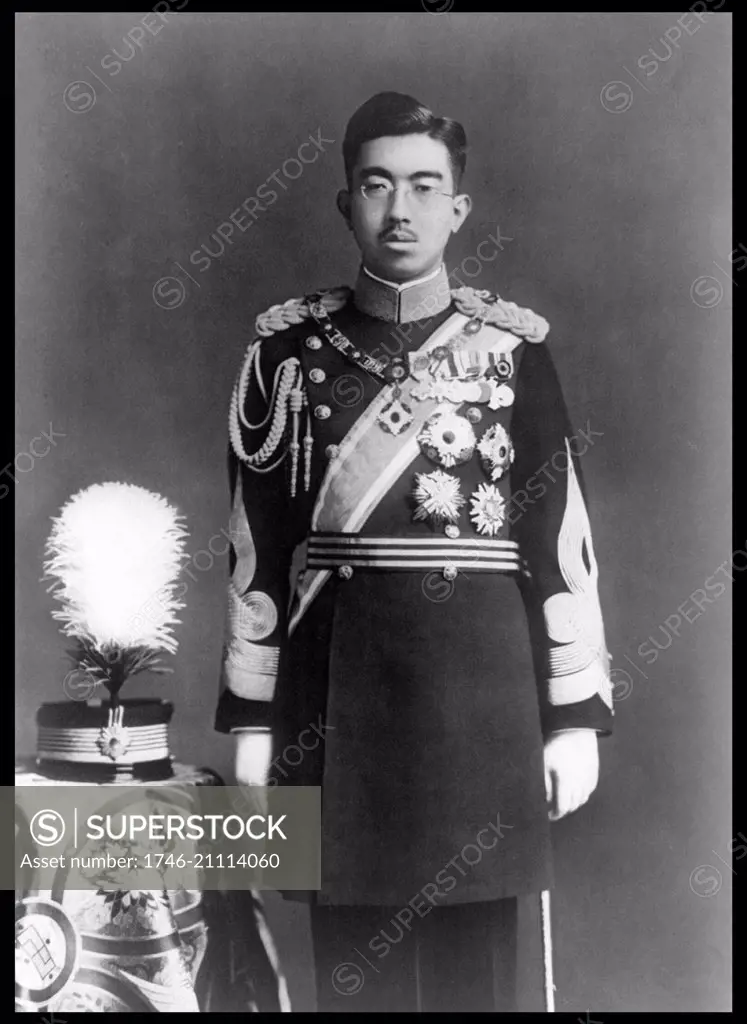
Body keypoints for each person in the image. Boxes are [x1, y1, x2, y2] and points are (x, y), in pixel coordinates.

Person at [214, 91, 613, 1013]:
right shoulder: (287, 356)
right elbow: (255, 549)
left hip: (481, 703)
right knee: (357, 976)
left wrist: (572, 714)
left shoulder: (514, 355)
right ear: (345, 203)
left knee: (478, 978)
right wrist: (250, 715)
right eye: (377, 185)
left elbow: (560, 542)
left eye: (424, 187)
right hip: (334, 698)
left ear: (457, 208)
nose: (401, 210)